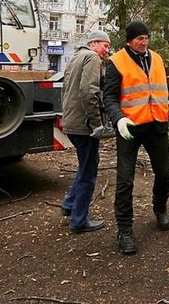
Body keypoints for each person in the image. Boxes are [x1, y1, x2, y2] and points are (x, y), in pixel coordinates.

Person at [104, 21, 169, 254]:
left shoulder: (158, 59)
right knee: (125, 180)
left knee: (164, 173)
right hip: (130, 128)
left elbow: (164, 89)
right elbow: (109, 98)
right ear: (129, 40)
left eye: (147, 38)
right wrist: (118, 118)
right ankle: (124, 230)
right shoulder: (116, 62)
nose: (144, 42)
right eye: (139, 38)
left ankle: (160, 208)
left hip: (157, 125)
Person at [59, 30, 112, 233]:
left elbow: (66, 90)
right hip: (84, 125)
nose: (106, 50)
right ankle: (79, 220)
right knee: (89, 171)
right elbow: (89, 91)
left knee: (87, 164)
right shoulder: (92, 58)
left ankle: (69, 205)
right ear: (94, 43)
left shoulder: (75, 58)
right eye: (105, 46)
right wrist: (97, 123)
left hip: (72, 121)